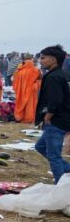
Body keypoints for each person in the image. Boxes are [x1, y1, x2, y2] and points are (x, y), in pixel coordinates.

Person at [34, 45, 70, 184]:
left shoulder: (54, 77)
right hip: (61, 118)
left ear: (53, 60)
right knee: (40, 147)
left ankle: (60, 186)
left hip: (57, 120)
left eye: (43, 58)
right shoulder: (59, 74)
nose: (40, 61)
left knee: (54, 156)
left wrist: (48, 116)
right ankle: (66, 168)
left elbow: (55, 100)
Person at [13, 54, 41, 124]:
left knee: (21, 103)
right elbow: (40, 80)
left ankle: (20, 117)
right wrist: (36, 84)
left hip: (20, 91)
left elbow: (14, 81)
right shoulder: (35, 70)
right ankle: (29, 118)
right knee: (30, 105)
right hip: (31, 90)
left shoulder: (18, 72)